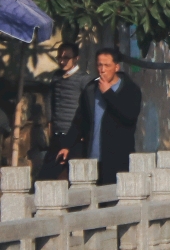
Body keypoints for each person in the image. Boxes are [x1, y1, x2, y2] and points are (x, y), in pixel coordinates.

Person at [56, 47, 143, 185]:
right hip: (92, 158)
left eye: (107, 65)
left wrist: (108, 93)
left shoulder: (130, 89)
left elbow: (129, 116)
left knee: (114, 200)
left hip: (118, 158)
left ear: (116, 67)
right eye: (99, 65)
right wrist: (67, 145)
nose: (102, 69)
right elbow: (79, 121)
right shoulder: (91, 89)